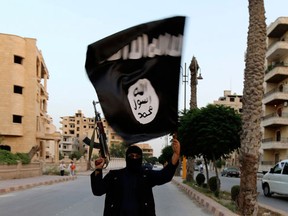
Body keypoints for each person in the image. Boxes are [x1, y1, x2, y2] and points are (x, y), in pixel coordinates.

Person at [90, 137, 180, 216]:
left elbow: (165, 176)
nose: (134, 158)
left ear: (140, 158)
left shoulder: (146, 175)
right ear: (126, 158)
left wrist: (176, 154)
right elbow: (98, 190)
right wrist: (98, 169)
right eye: (131, 156)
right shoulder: (115, 175)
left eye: (137, 156)